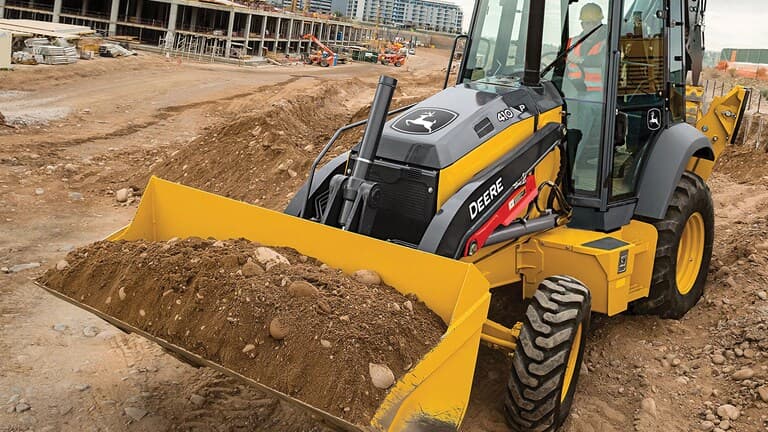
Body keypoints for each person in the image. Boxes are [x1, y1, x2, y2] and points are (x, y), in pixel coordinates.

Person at [567, 3, 608, 188]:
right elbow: (563, 64)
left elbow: (601, 60)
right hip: (575, 92)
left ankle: (572, 165)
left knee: (583, 116)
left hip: (599, 95)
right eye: (586, 23)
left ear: (600, 23)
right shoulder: (573, 41)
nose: (589, 27)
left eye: (593, 23)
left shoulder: (607, 41)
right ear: (581, 24)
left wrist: (581, 60)